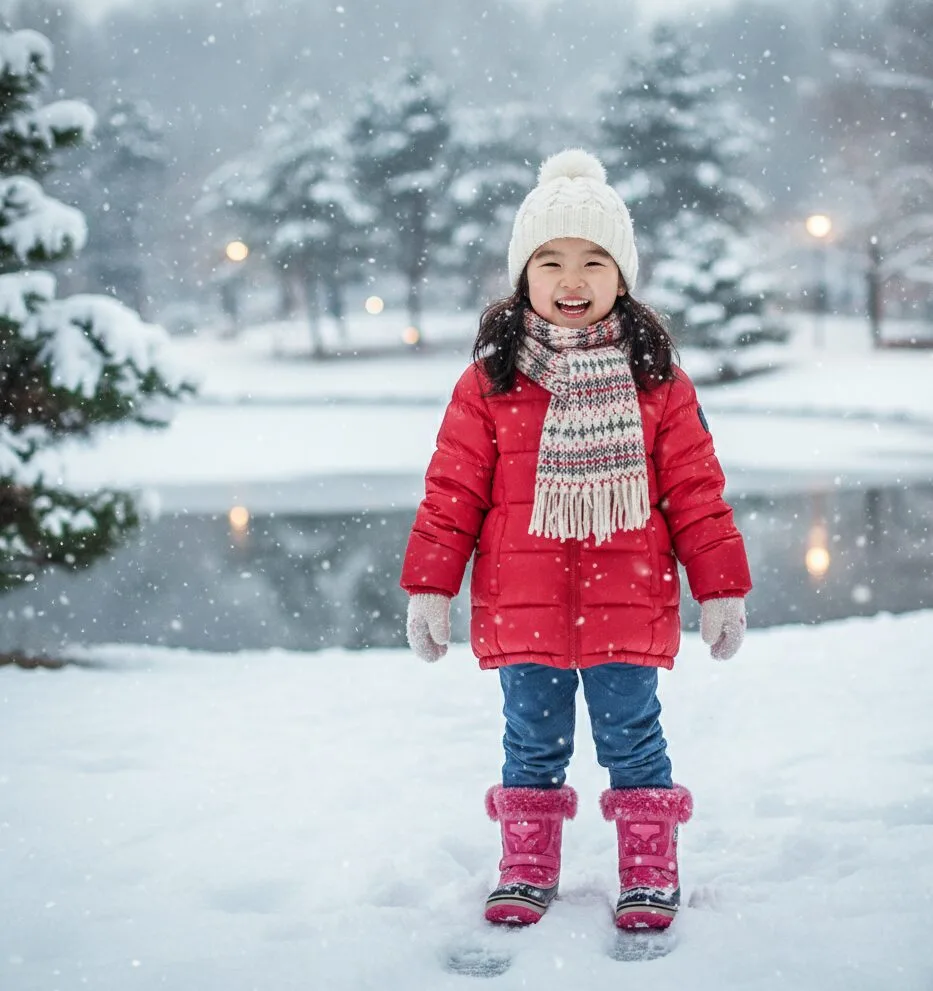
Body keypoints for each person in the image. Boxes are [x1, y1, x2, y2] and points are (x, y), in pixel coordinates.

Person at [400, 149, 751, 931]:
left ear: (620, 277)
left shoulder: (655, 377)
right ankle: (525, 867)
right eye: (550, 260)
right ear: (522, 276)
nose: (572, 279)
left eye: (593, 261)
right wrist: (430, 584)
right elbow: (452, 491)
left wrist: (719, 587)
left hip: (627, 602)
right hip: (520, 603)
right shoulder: (489, 380)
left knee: (633, 737)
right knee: (530, 740)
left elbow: (695, 491)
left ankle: (649, 871)